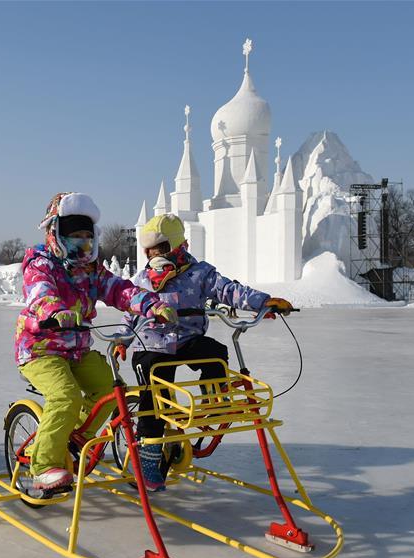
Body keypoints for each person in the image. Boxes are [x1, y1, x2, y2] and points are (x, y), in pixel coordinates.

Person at [15, 192, 177, 494]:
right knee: (65, 396)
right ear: (56, 234)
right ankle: (43, 465)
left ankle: (77, 437)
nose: (81, 244)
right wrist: (53, 310)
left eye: (86, 238)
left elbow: (120, 290)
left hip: (77, 348)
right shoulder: (40, 262)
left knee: (108, 388)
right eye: (74, 237)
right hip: (39, 348)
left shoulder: (91, 270)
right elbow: (39, 291)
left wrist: (151, 304)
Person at [123, 213, 294, 490]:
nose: (156, 257)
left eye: (162, 249)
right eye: (150, 251)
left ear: (180, 247)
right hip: (152, 344)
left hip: (187, 338)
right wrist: (123, 339)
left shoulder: (199, 273)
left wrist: (263, 302)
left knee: (214, 353)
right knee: (155, 400)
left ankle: (214, 403)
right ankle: (149, 457)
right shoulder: (142, 279)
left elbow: (229, 290)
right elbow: (130, 308)